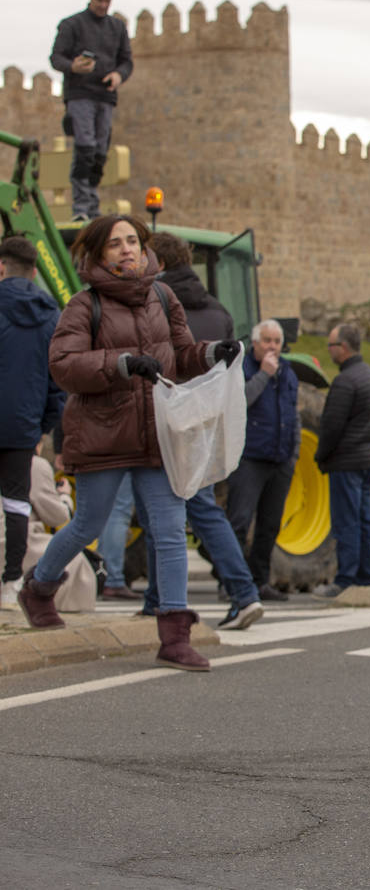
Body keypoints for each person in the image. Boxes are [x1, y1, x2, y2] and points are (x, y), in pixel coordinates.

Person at [20, 214, 239, 672]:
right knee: (86, 525)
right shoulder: (84, 304)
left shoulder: (164, 295)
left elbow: (180, 353)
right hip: (105, 434)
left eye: (133, 241)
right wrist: (121, 364)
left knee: (169, 530)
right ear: (99, 252)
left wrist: (211, 352)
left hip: (159, 435)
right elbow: (63, 365)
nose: (127, 249)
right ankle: (38, 588)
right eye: (116, 243)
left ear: (145, 248)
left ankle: (175, 636)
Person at [145, 232, 263, 630]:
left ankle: (240, 593)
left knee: (168, 508)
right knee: (194, 508)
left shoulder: (153, 302)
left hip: (165, 414)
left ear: (157, 264)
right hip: (202, 420)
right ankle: (157, 600)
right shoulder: (218, 310)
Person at [0, 236, 65, 605]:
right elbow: (58, 381)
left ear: (1, 266)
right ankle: (10, 584)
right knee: (17, 503)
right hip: (23, 425)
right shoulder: (51, 315)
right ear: (36, 271)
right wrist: (42, 426)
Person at [226, 319, 298, 602]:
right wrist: (264, 375)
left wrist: (294, 454)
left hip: (280, 460)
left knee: (269, 525)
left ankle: (259, 581)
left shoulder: (288, 372)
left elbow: (294, 414)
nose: (272, 346)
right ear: (254, 343)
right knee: (239, 522)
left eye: (276, 341)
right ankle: (231, 581)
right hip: (250, 458)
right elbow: (239, 403)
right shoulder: (243, 370)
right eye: (266, 340)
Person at [49, 0, 132, 222]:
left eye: (108, 1)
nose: (103, 5)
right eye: (99, 0)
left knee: (99, 154)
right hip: (80, 95)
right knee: (84, 147)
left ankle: (92, 207)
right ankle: (82, 207)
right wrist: (73, 66)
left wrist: (119, 75)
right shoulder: (72, 24)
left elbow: (126, 61)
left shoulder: (117, 28)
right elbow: (56, 58)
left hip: (106, 96)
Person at [314, 323, 370, 597]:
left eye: (330, 345)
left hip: (346, 461)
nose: (328, 351)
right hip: (365, 459)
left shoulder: (345, 381)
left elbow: (331, 426)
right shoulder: (369, 375)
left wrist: (321, 456)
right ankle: (366, 575)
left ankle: (346, 578)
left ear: (342, 348)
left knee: (346, 521)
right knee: (364, 519)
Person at [25, 448, 98, 612]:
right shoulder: (34, 464)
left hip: (12, 540)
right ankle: (51, 608)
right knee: (73, 559)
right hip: (22, 542)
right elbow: (56, 516)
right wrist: (65, 497)